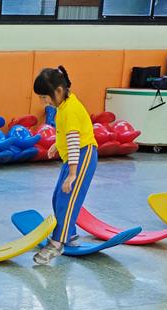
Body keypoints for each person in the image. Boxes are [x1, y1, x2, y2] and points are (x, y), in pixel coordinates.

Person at [31, 66, 98, 265]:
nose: (44, 102)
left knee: (68, 200)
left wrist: (72, 174)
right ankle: (71, 234)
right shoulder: (64, 105)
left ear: (58, 91)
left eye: (45, 97)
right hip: (74, 156)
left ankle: (57, 243)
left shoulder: (70, 110)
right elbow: (67, 135)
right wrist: (56, 144)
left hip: (83, 156)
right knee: (58, 198)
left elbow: (75, 141)